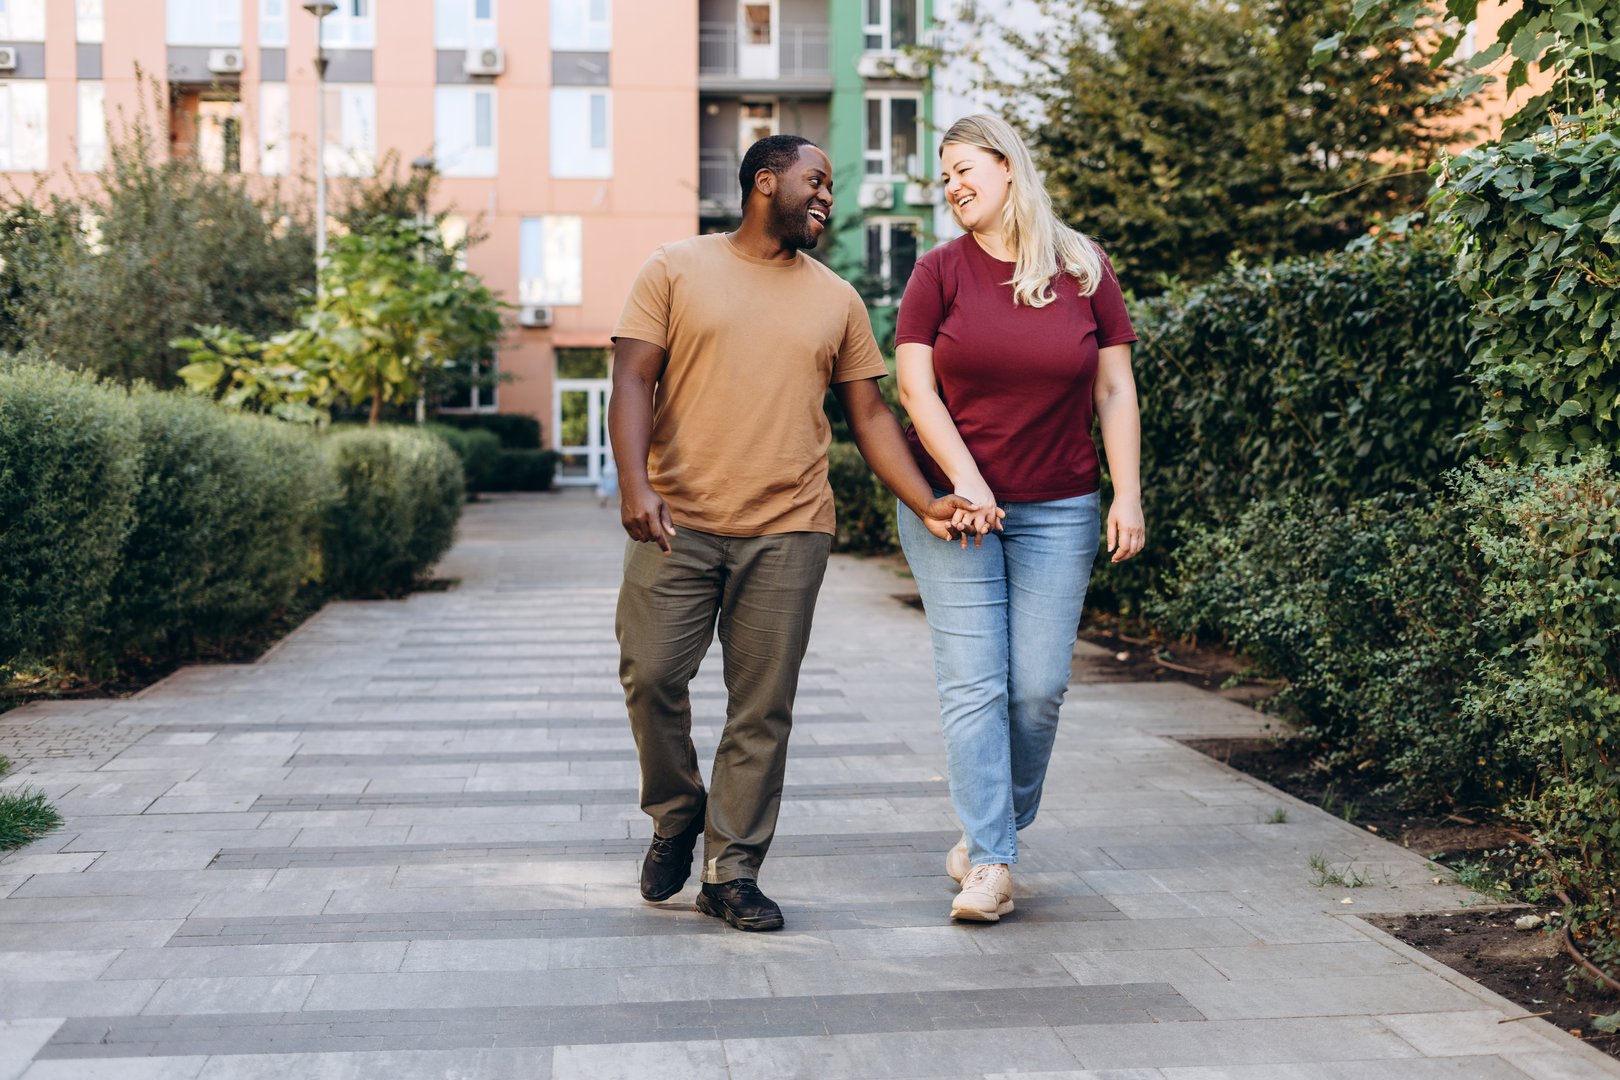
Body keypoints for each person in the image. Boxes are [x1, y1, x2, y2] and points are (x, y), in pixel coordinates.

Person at [610, 135, 978, 932]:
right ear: (764, 181)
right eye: (816, 182)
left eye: (832, 187)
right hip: (678, 518)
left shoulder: (836, 298)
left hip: (789, 527)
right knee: (650, 677)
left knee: (762, 706)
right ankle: (677, 813)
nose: (827, 198)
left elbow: (870, 413)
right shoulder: (673, 267)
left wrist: (925, 500)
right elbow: (633, 376)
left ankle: (730, 868)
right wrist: (635, 483)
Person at [894, 114, 1146, 922]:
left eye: (965, 168)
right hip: (952, 511)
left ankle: (989, 833)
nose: (954, 187)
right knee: (975, 685)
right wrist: (966, 482)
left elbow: (1114, 389)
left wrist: (1127, 492)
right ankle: (994, 864)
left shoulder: (1082, 267)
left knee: (1036, 690)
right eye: (945, 178)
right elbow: (914, 390)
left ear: (1008, 167)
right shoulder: (937, 272)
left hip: (1060, 505)